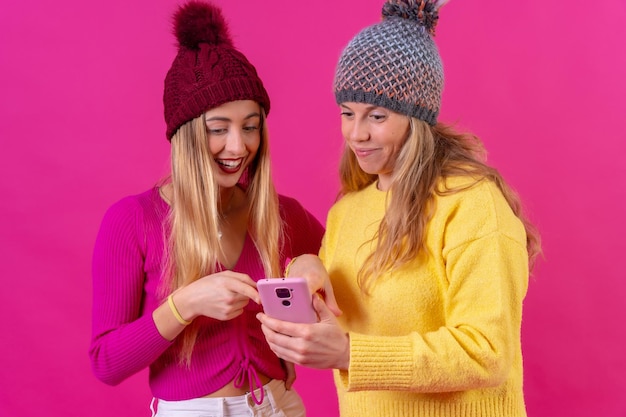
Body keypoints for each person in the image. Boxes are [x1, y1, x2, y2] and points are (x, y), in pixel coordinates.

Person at [257, 1, 542, 416]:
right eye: (347, 113)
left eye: (376, 115)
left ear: (417, 117)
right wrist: (307, 267)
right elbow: (345, 297)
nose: (357, 134)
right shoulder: (348, 211)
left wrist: (352, 354)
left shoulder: (471, 203)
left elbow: (487, 351)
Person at [88, 2, 324, 416]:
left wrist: (313, 263)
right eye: (219, 129)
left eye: (250, 126)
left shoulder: (281, 213)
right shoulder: (132, 221)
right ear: (185, 135)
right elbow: (105, 362)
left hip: (279, 405)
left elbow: (358, 269)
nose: (238, 146)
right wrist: (184, 305)